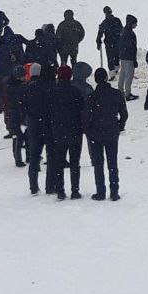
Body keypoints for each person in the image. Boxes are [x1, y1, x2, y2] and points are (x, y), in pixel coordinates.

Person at [84, 67, 127, 201]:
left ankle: (100, 191)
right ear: (106, 78)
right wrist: (119, 126)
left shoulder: (92, 97)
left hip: (95, 133)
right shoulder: (116, 94)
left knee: (98, 164)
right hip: (112, 131)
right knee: (112, 163)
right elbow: (124, 114)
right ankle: (114, 191)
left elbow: (86, 117)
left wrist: (88, 130)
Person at [48, 65, 85, 200]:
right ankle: (75, 190)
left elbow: (49, 111)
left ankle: (60, 190)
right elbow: (82, 110)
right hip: (75, 130)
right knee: (75, 162)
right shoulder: (76, 92)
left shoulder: (52, 92)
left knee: (59, 162)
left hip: (58, 130)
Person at [19, 64, 54, 194]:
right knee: (51, 156)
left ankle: (33, 186)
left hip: (33, 125)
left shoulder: (26, 88)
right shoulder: (48, 87)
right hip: (48, 124)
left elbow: (22, 107)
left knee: (34, 156)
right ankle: (50, 185)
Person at [97, 7, 124, 77]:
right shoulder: (117, 20)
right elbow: (122, 31)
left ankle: (112, 73)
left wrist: (98, 41)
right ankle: (116, 70)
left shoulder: (104, 22)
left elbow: (100, 34)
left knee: (110, 58)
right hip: (117, 42)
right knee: (117, 56)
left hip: (109, 43)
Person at [118, 14, 139, 101]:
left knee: (122, 74)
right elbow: (132, 48)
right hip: (129, 57)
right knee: (129, 76)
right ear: (131, 23)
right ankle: (128, 94)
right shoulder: (130, 33)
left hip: (123, 56)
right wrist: (134, 60)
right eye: (135, 23)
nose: (136, 25)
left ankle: (120, 91)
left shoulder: (123, 31)